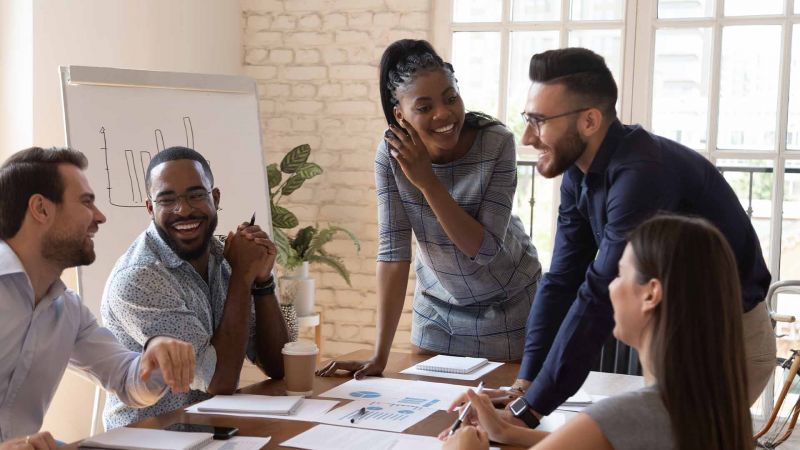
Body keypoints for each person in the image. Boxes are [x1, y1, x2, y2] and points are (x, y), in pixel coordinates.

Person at [496, 47, 773, 427]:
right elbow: (562, 279)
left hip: (726, 342)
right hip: (671, 338)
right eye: (529, 118)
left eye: (539, 121)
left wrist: (531, 409)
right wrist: (524, 386)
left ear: (590, 121)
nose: (527, 136)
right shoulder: (579, 170)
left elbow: (598, 294)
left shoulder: (641, 174)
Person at [316, 39, 542, 378]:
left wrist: (427, 181)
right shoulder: (390, 155)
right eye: (424, 107)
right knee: (426, 419)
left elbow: (482, 249)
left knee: (500, 419)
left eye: (451, 98)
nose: (443, 114)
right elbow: (393, 254)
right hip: (438, 310)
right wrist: (379, 357)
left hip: (510, 306)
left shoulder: (497, 143)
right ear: (400, 115)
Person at [442, 214, 753, 450]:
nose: (611, 287)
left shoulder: (624, 415)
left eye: (620, 274)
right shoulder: (717, 410)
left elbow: (611, 430)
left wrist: (463, 445)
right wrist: (507, 432)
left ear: (651, 294)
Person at [0, 147, 196, 447]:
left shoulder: (68, 310)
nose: (100, 217)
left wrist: (155, 353)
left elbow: (128, 382)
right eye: (86, 202)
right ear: (41, 209)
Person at [101, 146, 289, 429]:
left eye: (196, 195)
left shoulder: (223, 255)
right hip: (149, 438)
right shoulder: (139, 277)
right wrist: (242, 275)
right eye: (167, 199)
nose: (184, 209)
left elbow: (279, 366)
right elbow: (219, 380)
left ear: (215, 198)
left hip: (212, 428)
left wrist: (262, 281)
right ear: (150, 208)